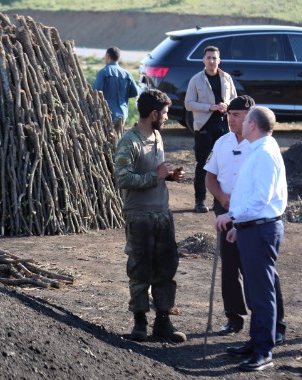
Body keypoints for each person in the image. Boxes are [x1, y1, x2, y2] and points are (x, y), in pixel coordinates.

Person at [204, 96, 287, 344]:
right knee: (230, 267)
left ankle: (274, 326)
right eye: (229, 114)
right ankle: (234, 317)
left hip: (252, 217)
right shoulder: (222, 142)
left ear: (251, 119)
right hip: (228, 211)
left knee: (262, 274)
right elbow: (210, 175)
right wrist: (221, 198)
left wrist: (236, 211)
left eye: (237, 115)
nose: (231, 119)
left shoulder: (261, 148)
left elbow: (261, 195)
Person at [113, 88, 187, 343]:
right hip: (140, 216)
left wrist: (170, 177)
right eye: (165, 113)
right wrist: (155, 176)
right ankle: (140, 323)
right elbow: (122, 178)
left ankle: (163, 322)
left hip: (162, 214)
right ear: (153, 113)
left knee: (166, 270)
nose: (167, 118)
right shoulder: (129, 141)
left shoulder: (157, 135)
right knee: (140, 270)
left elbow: (157, 174)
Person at [184, 46, 237, 213]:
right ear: (203, 60)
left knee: (223, 164)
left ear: (219, 60)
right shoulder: (196, 79)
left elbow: (235, 99)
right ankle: (199, 201)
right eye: (209, 58)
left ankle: (219, 200)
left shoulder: (226, 78)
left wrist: (227, 106)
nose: (212, 61)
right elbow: (188, 103)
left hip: (224, 125)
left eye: (214, 58)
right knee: (203, 164)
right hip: (204, 126)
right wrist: (210, 107)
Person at [94, 46, 139, 139]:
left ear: (108, 56)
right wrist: (123, 96)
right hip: (123, 113)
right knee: (118, 140)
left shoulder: (103, 72)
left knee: (106, 139)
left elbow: (96, 92)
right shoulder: (127, 74)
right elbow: (135, 92)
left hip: (107, 113)